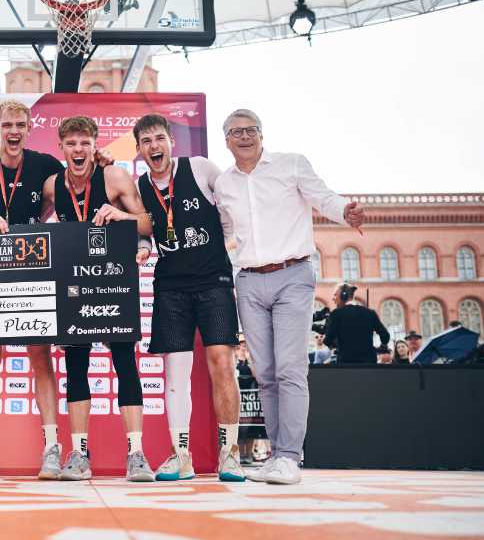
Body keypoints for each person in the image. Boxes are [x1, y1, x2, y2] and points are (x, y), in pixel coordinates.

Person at [213, 109, 365, 485]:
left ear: (262, 135)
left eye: (251, 130)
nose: (244, 137)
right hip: (248, 280)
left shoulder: (291, 164)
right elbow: (223, 228)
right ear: (227, 140)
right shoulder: (225, 184)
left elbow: (323, 197)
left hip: (293, 276)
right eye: (236, 132)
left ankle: (289, 457)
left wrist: (345, 211)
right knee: (264, 373)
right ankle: (277, 454)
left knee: (290, 369)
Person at [39, 115, 155, 482]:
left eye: (84, 143)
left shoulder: (115, 177)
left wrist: (127, 225)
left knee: (125, 362)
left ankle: (137, 453)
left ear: (94, 144)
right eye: (71, 143)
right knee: (76, 366)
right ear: (62, 148)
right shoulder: (52, 186)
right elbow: (34, 227)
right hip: (74, 282)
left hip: (113, 280)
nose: (78, 150)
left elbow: (149, 223)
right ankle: (78, 453)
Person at [131, 113, 246, 483]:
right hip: (171, 287)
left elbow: (232, 207)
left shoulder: (199, 168)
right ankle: (181, 456)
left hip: (213, 281)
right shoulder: (140, 186)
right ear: (138, 150)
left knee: (221, 364)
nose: (154, 146)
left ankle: (230, 455)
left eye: (159, 138)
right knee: (175, 373)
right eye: (146, 141)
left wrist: (232, 243)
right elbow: (146, 228)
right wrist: (144, 246)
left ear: (171, 142)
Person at [0, 99, 67, 480]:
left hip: (35, 265)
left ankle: (52, 449)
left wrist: (99, 164)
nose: (14, 131)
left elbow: (74, 191)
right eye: (7, 124)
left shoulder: (46, 165)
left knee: (41, 358)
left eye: (21, 124)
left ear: (29, 127)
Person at [323, 283, 390, 364]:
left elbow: (327, 341)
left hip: (346, 364)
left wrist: (336, 345)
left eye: (335, 295)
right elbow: (385, 336)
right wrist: (380, 347)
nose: (333, 299)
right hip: (369, 363)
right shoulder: (370, 313)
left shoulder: (336, 314)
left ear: (343, 296)